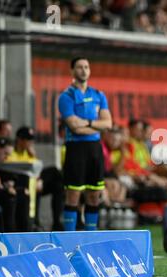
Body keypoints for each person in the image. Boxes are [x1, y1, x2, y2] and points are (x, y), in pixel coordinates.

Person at [58, 57, 112, 231]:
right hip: (75, 148)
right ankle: (69, 236)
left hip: (95, 149)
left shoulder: (98, 94)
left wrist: (87, 124)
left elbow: (108, 124)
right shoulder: (66, 96)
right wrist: (96, 125)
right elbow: (74, 127)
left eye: (86, 67)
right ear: (72, 71)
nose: (83, 70)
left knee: (94, 195)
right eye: (79, 67)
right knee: (73, 194)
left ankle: (91, 234)